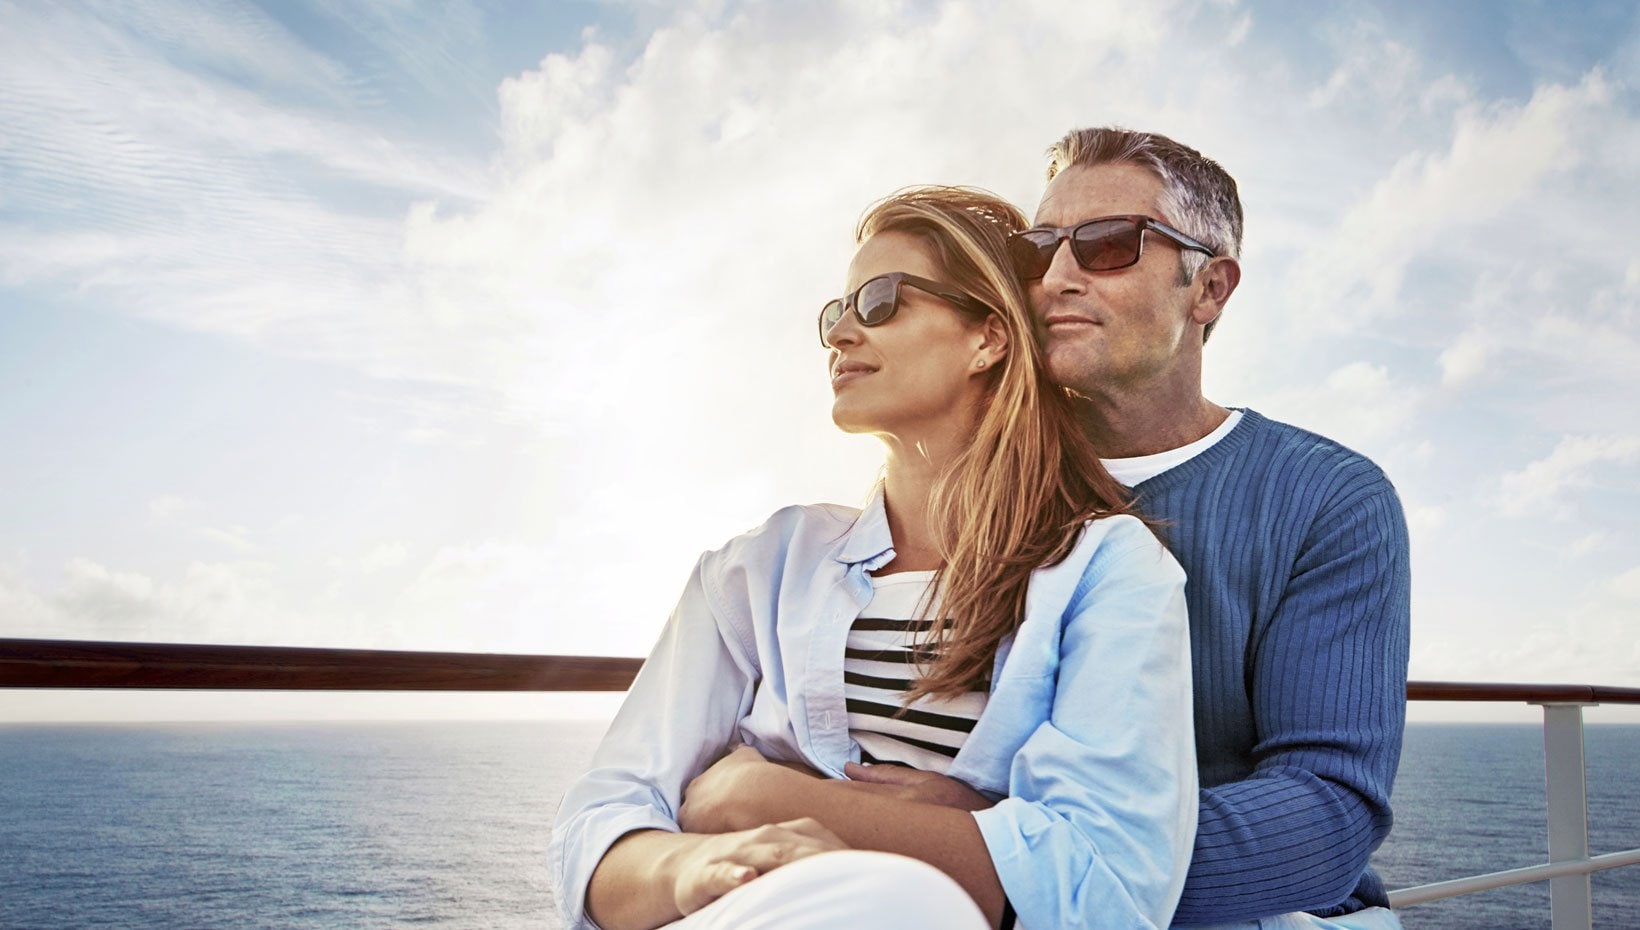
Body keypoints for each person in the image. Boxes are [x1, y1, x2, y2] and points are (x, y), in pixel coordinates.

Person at [549, 186, 1198, 930]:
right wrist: (695, 867)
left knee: (906, 902)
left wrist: (764, 800)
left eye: (883, 301)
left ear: (987, 337)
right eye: (838, 312)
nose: (841, 334)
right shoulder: (758, 569)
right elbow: (600, 822)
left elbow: (1107, 881)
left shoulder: (1107, 569)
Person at [1010, 127, 1412, 929]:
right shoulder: (976, 488)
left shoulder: (1329, 496)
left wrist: (1020, 876)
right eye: (1037, 250)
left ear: (1211, 290)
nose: (1055, 277)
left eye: (1107, 244)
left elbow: (1326, 808)